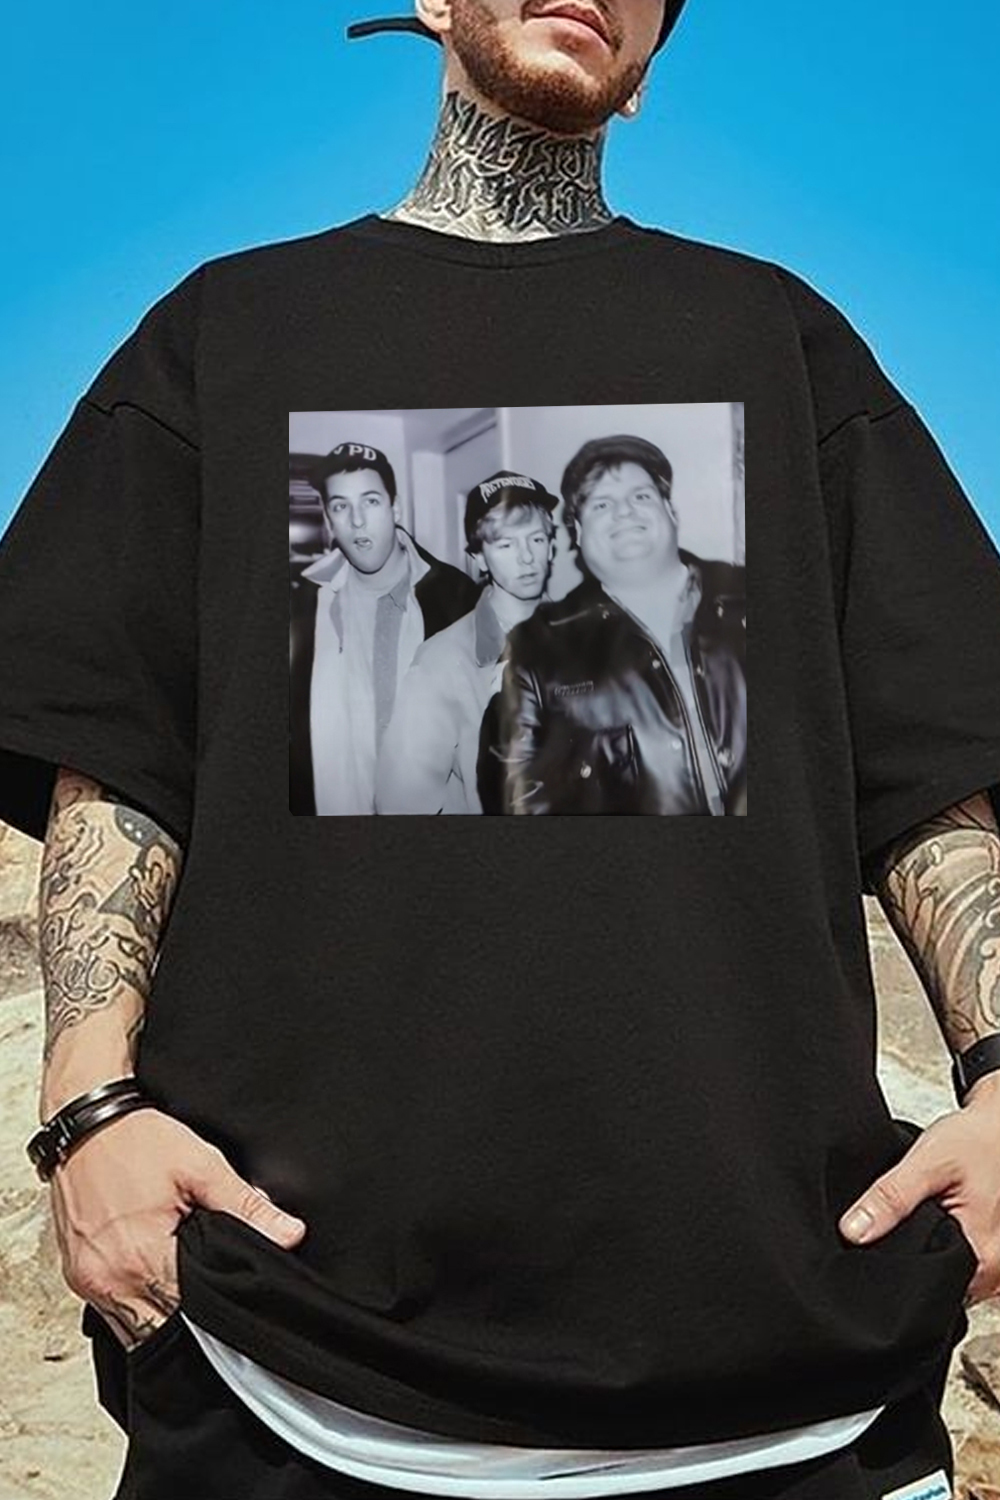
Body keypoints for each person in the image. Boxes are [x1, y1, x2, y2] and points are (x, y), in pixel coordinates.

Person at [0, 2, 999, 1498]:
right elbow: (116, 758)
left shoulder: (777, 341)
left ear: (649, 68)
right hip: (285, 1360)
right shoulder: (228, 333)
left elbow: (935, 775)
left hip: (792, 1385)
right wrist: (88, 1115)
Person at [485, 434, 746, 815]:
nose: (624, 512)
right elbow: (519, 801)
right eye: (602, 504)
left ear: (671, 512)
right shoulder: (535, 649)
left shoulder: (751, 596)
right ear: (576, 533)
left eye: (641, 496)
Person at [290, 441, 480, 814]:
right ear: (328, 520)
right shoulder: (301, 608)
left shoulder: (457, 598)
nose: (357, 521)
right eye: (341, 506)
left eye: (371, 501)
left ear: (396, 508)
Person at [375, 469, 557, 815]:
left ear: (551, 546)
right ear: (480, 558)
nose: (526, 557)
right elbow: (400, 806)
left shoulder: (583, 639)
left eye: (536, 539)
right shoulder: (441, 663)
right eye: (506, 544)